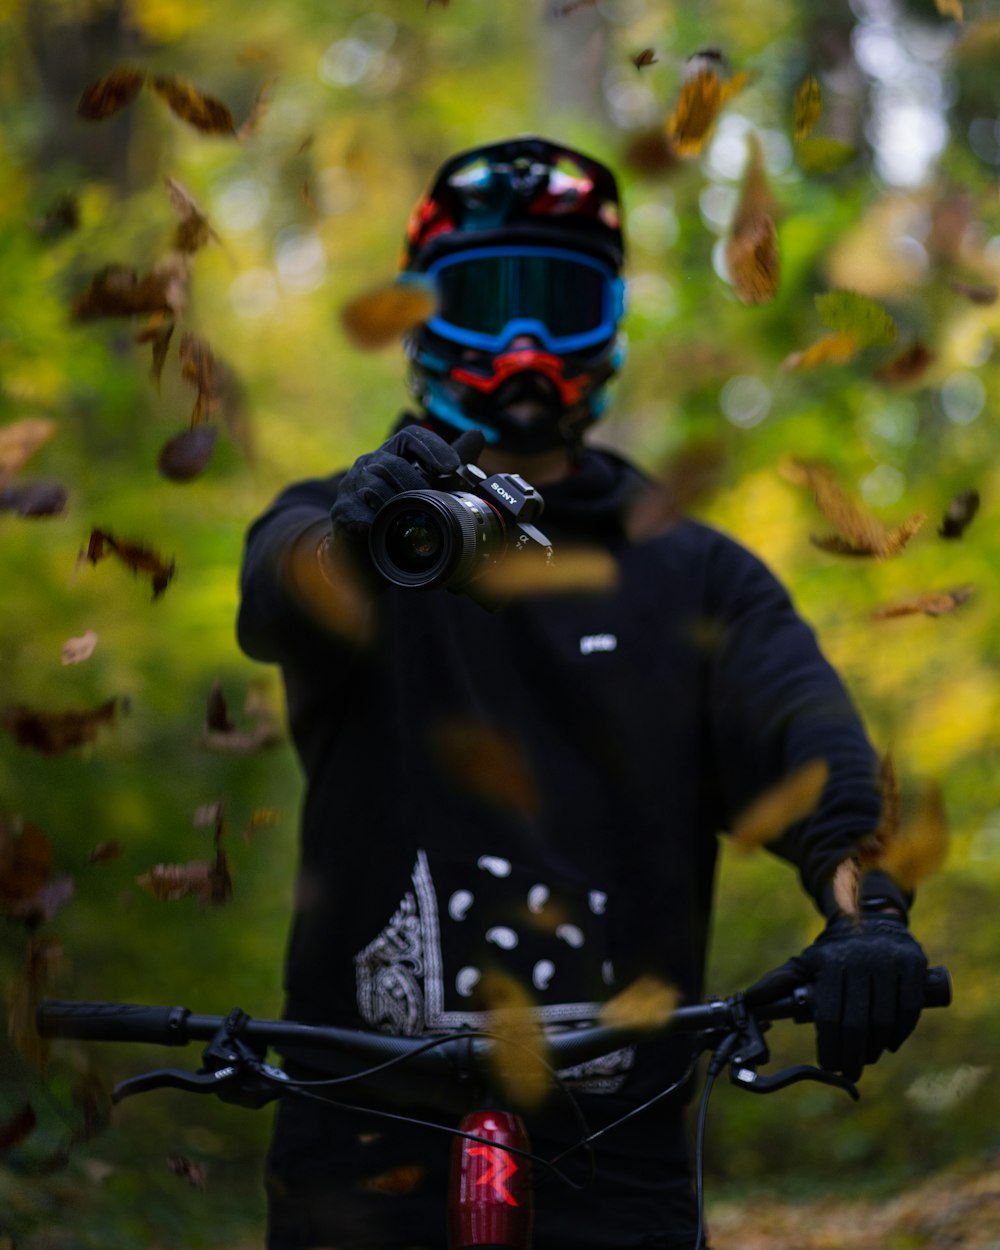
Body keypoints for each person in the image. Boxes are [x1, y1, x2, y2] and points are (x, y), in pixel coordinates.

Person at [237, 136, 929, 1250]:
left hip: (620, 1162)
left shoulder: (700, 578)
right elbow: (283, 587)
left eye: (555, 301)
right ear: (427, 316)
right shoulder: (346, 533)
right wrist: (369, 537)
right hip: (359, 1156)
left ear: (605, 321)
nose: (520, 342)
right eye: (485, 298)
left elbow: (820, 772)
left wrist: (870, 923)